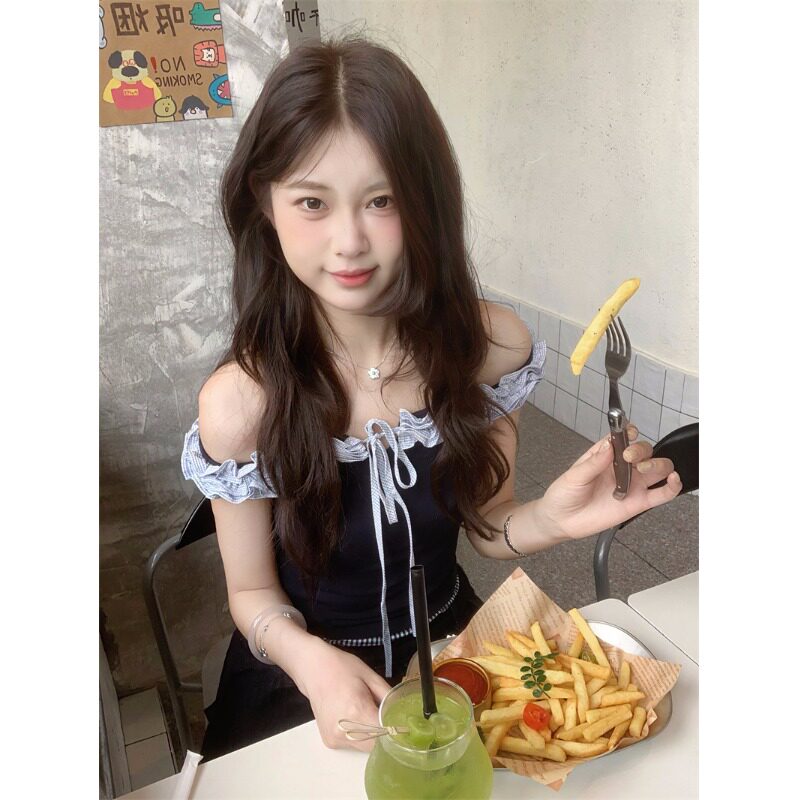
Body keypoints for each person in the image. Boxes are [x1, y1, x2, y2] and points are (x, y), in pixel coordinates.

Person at [181, 35, 682, 762]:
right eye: (313, 202)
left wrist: (552, 518)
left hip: (454, 656)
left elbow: (487, 525)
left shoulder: (489, 350)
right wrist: (310, 662)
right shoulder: (240, 403)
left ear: (425, 201)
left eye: (381, 200)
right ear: (266, 203)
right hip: (298, 683)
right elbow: (252, 597)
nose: (349, 241)